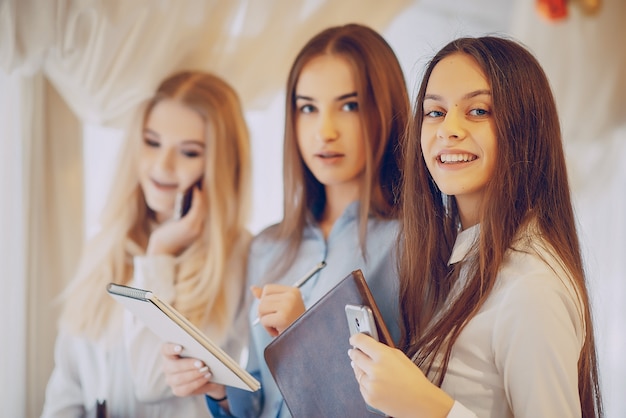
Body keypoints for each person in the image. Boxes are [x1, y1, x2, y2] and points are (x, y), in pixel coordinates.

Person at [161, 23, 411, 417]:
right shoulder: (267, 248)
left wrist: (305, 338)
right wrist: (220, 390)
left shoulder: (414, 244)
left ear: (386, 110)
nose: (324, 131)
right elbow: (261, 401)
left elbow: (409, 404)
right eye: (307, 108)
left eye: (350, 105)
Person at [348, 36, 603, 418]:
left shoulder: (531, 287)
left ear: (525, 128)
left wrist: (431, 408)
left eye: (478, 111)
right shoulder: (454, 261)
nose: (448, 129)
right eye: (435, 112)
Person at [41, 70, 252, 417]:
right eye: (152, 143)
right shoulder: (104, 244)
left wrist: (159, 255)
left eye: (188, 152)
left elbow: (153, 383)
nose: (162, 166)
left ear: (220, 164)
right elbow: (67, 383)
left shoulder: (237, 255)